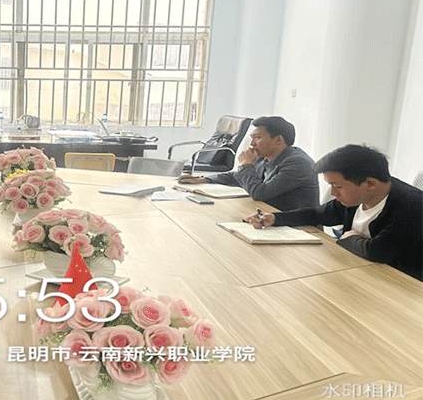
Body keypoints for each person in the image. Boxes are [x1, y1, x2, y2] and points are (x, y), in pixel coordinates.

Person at [246, 145, 422, 281]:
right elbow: (317, 213)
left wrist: (349, 238)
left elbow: (377, 251)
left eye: (337, 186)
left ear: (370, 184)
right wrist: (275, 218)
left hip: (403, 285)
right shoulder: (356, 199)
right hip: (361, 271)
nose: (332, 193)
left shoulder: (413, 206)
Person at [178, 116, 319, 211]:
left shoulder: (298, 164)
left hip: (301, 229)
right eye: (252, 138)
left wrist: (246, 165)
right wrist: (204, 179)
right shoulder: (264, 157)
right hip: (269, 216)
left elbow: (260, 193)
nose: (252, 143)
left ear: (278, 140)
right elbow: (237, 176)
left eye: (257, 137)